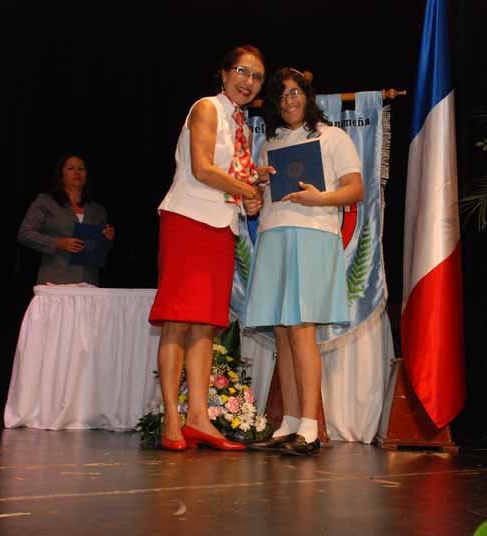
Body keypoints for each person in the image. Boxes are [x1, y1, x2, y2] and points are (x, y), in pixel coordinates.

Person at [148, 45, 266, 451]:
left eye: (256, 77)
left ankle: (198, 417)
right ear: (224, 73)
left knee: (205, 324)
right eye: (242, 71)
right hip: (188, 220)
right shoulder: (206, 108)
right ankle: (172, 418)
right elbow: (201, 168)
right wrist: (246, 189)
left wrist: (252, 191)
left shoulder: (242, 125)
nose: (248, 82)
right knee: (178, 320)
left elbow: (234, 181)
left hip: (221, 225)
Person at [244, 67, 364, 456]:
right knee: (282, 332)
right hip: (273, 235)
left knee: (300, 329)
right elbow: (257, 201)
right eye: (282, 96)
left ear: (308, 97)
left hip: (313, 234)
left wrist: (320, 198)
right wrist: (255, 191)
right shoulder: (271, 143)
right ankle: (290, 423)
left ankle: (310, 428)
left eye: (295, 93)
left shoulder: (333, 136)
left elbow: (355, 189)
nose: (289, 101)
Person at [17, 153, 115, 286]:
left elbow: (101, 248)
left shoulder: (97, 210)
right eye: (71, 168)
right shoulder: (46, 202)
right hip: (55, 281)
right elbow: (25, 233)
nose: (77, 172)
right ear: (61, 175)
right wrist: (58, 243)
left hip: (88, 282)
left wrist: (108, 238)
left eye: (81, 169)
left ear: (86, 175)